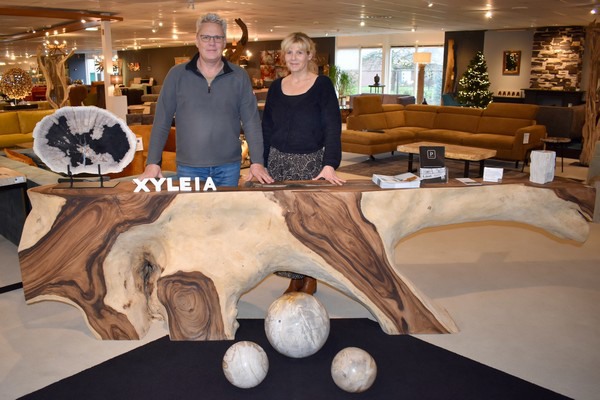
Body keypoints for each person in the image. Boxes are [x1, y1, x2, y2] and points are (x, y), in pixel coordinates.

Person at [139, 13, 273, 186]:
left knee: (227, 205)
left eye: (217, 37)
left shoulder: (239, 76)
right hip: (189, 167)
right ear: (197, 40)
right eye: (206, 37)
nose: (212, 42)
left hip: (229, 167)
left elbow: (251, 122)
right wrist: (152, 162)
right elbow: (161, 121)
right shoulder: (176, 75)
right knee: (190, 206)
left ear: (224, 42)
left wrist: (257, 161)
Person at [261, 32, 346, 295]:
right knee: (284, 224)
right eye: (289, 52)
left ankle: (310, 275)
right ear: (283, 56)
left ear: (309, 55)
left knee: (309, 225)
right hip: (278, 163)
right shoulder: (276, 87)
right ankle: (294, 275)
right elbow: (267, 128)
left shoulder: (322, 85)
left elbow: (332, 126)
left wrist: (330, 163)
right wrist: (259, 162)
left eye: (300, 52)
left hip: (311, 163)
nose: (294, 57)